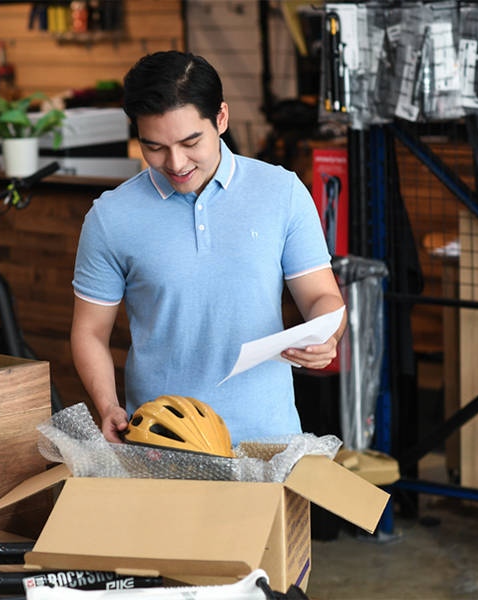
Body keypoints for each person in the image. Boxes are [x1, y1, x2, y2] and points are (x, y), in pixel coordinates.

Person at [71, 51, 346, 445]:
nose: (176, 162)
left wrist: (326, 338)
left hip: (268, 440)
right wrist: (108, 404)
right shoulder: (110, 217)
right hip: (160, 439)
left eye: (190, 141)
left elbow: (322, 296)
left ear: (221, 118)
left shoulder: (281, 192)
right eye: (155, 147)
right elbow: (89, 332)